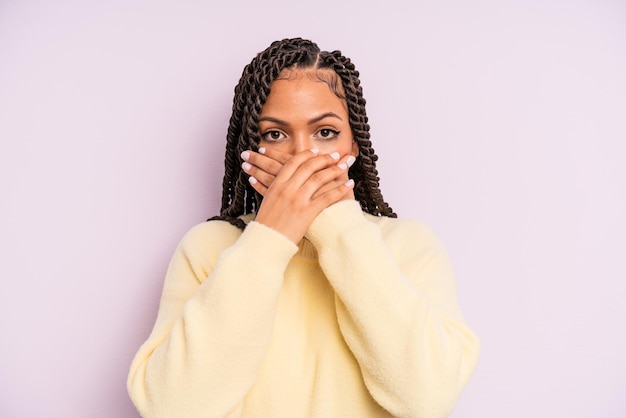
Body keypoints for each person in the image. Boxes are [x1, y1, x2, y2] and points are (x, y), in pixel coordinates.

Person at [127, 37, 480, 418]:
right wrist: (270, 237)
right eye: (275, 134)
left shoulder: (409, 246)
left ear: (355, 143)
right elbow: (172, 408)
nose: (302, 156)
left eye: (325, 132)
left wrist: (337, 226)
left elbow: (428, 401)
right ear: (251, 146)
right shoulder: (208, 247)